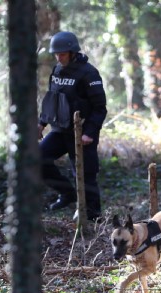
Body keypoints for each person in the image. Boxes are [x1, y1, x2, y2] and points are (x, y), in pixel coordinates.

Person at [38, 31, 107, 221]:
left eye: (63, 54)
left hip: (82, 133)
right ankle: (67, 194)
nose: (59, 58)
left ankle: (93, 216)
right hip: (60, 130)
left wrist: (90, 133)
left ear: (73, 52)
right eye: (56, 54)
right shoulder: (57, 70)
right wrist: (41, 122)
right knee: (38, 159)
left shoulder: (89, 73)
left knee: (85, 174)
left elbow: (100, 108)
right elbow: (52, 100)